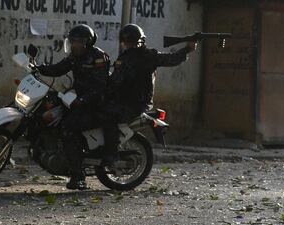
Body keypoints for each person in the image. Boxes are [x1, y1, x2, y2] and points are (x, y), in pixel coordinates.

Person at [100, 24, 197, 165]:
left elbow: (172, 59)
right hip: (124, 100)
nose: (128, 45)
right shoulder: (128, 57)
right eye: (127, 42)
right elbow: (115, 80)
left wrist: (188, 48)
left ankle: (111, 153)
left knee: (107, 116)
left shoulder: (146, 56)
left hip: (136, 103)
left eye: (131, 42)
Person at [36, 24, 110, 190]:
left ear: (88, 43)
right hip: (76, 99)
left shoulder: (99, 58)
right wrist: (38, 68)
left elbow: (100, 87)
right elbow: (58, 69)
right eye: (72, 41)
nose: (74, 45)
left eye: (78, 42)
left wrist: (83, 100)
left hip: (94, 104)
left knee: (68, 129)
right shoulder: (74, 56)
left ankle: (78, 176)